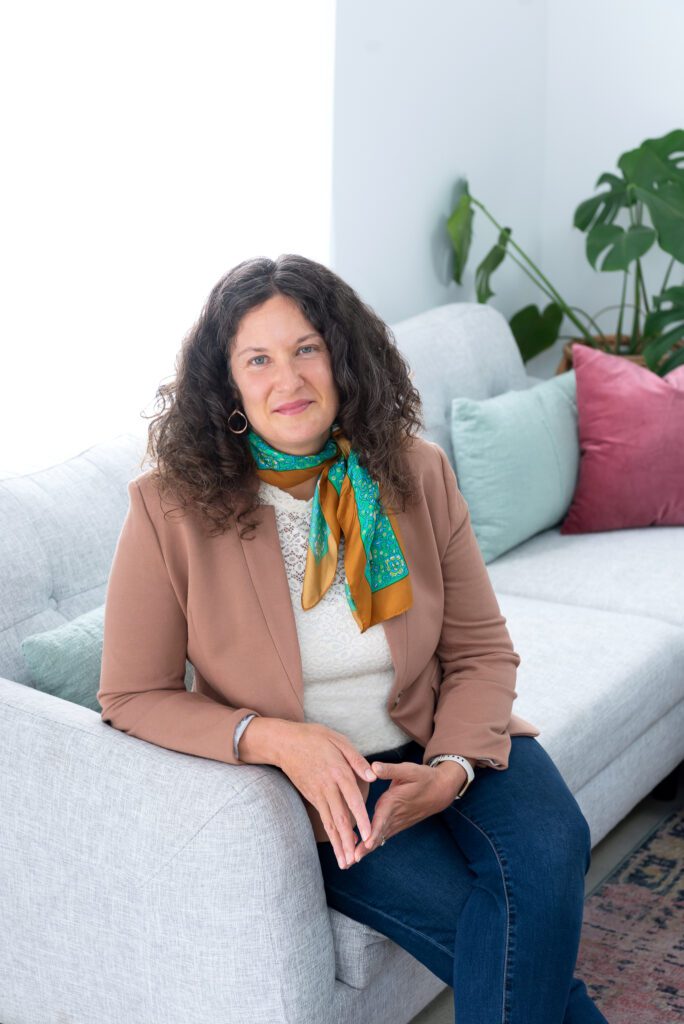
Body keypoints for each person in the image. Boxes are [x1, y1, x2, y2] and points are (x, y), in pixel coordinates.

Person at [97, 253, 609, 1024]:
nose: (289, 378)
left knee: (552, 843)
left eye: (307, 348)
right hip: (329, 781)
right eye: (258, 359)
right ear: (227, 385)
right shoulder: (168, 507)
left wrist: (450, 770)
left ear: (343, 357)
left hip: (444, 729)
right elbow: (131, 693)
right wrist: (270, 738)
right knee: (501, 927)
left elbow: (478, 648)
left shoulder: (414, 470)